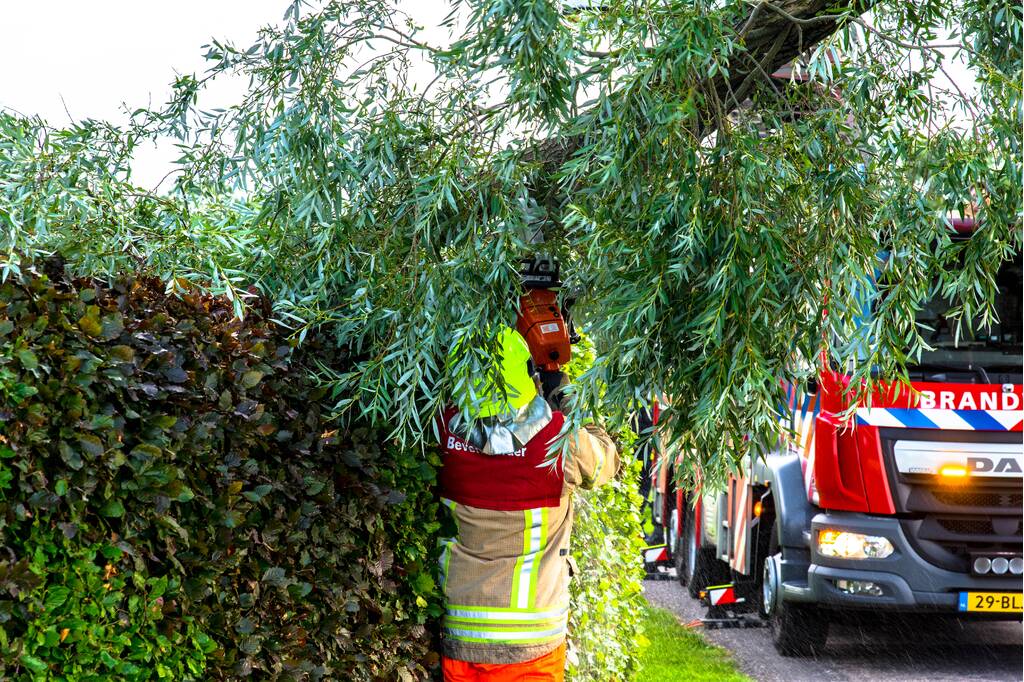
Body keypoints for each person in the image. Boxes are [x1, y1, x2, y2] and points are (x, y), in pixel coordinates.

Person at [437, 327, 619, 681]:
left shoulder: (441, 434)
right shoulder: (559, 440)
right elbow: (605, 463)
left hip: (460, 633)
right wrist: (565, 397)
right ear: (527, 377)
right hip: (534, 643)